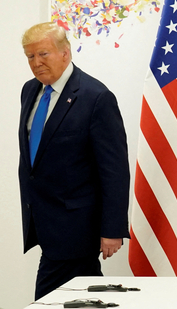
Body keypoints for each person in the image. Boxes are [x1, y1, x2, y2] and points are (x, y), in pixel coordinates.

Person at [18, 22, 130, 300]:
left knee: (49, 300)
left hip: (77, 225)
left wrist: (112, 229)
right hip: (44, 221)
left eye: (43, 54)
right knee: (82, 297)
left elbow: (114, 170)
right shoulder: (30, 91)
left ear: (65, 53)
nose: (36, 63)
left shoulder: (96, 97)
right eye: (30, 56)